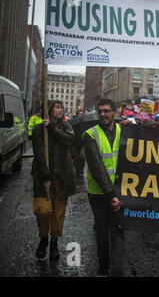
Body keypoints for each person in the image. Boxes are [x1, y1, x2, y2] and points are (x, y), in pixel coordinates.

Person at [32, 100, 76, 261]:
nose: (60, 109)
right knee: (43, 211)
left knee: (58, 214)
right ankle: (43, 239)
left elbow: (70, 140)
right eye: (57, 107)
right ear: (49, 110)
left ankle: (54, 243)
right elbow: (38, 154)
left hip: (62, 179)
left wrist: (53, 128)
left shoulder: (66, 126)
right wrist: (46, 177)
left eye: (61, 107)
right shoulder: (39, 129)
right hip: (43, 179)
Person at [83, 99, 123, 276]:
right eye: (99, 111)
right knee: (102, 232)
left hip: (119, 191)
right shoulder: (90, 134)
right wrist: (111, 194)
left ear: (115, 112)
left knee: (118, 231)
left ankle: (118, 266)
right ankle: (103, 265)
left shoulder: (124, 130)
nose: (102, 114)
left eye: (106, 111)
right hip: (99, 194)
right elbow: (97, 167)